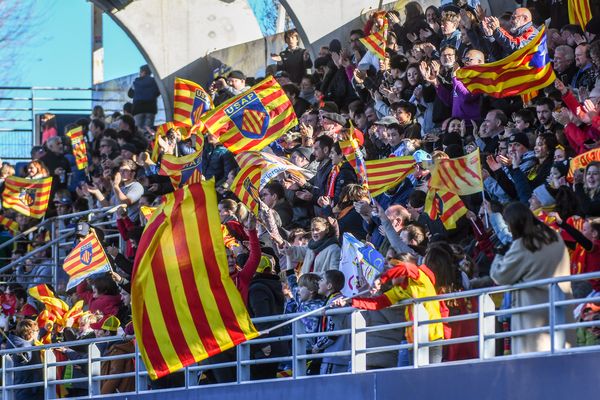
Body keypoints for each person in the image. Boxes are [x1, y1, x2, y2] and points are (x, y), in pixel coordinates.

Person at [490, 202, 571, 354]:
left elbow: (499, 276)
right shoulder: (553, 236)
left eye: (508, 224)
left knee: (532, 365)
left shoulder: (523, 244)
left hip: (532, 315)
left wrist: (500, 255)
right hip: (559, 308)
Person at [6, 319, 43, 400]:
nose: (38, 332)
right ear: (30, 332)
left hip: (30, 385)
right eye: (37, 330)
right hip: (29, 388)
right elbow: (23, 356)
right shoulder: (22, 344)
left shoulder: (17, 339)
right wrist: (22, 353)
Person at [128, 64, 160, 130]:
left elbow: (130, 94)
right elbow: (158, 92)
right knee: (148, 130)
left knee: (138, 130)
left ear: (143, 72)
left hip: (138, 109)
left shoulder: (136, 82)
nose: (139, 74)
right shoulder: (154, 81)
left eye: (140, 72)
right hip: (150, 109)